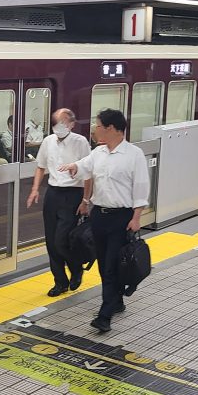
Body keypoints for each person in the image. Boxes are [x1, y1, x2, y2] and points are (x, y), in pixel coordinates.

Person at [61, 109, 150, 334]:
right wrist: (74, 167)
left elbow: (141, 187)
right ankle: (117, 300)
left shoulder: (133, 154)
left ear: (111, 128)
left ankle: (105, 315)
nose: (95, 129)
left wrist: (137, 217)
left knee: (111, 265)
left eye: (98, 125)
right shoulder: (99, 152)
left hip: (122, 218)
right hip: (99, 216)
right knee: (104, 265)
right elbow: (85, 165)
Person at [27, 109, 92, 297]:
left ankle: (76, 268)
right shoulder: (48, 141)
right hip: (53, 193)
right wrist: (34, 189)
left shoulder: (81, 142)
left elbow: (88, 174)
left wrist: (86, 200)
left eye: (63, 123)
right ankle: (60, 281)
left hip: (73, 195)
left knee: (61, 240)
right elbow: (41, 167)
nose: (59, 127)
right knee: (50, 242)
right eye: (56, 123)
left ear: (72, 124)